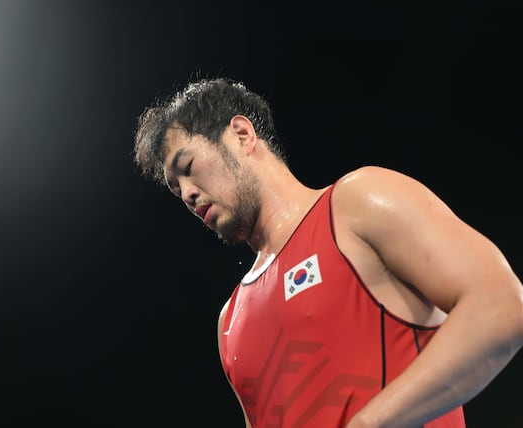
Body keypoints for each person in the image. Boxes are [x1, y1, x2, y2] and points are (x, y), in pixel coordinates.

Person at [132, 76, 523, 427]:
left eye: (188, 167)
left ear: (241, 134)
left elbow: (503, 305)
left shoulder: (358, 203)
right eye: (175, 189)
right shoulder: (229, 323)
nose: (187, 194)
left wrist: (371, 423)